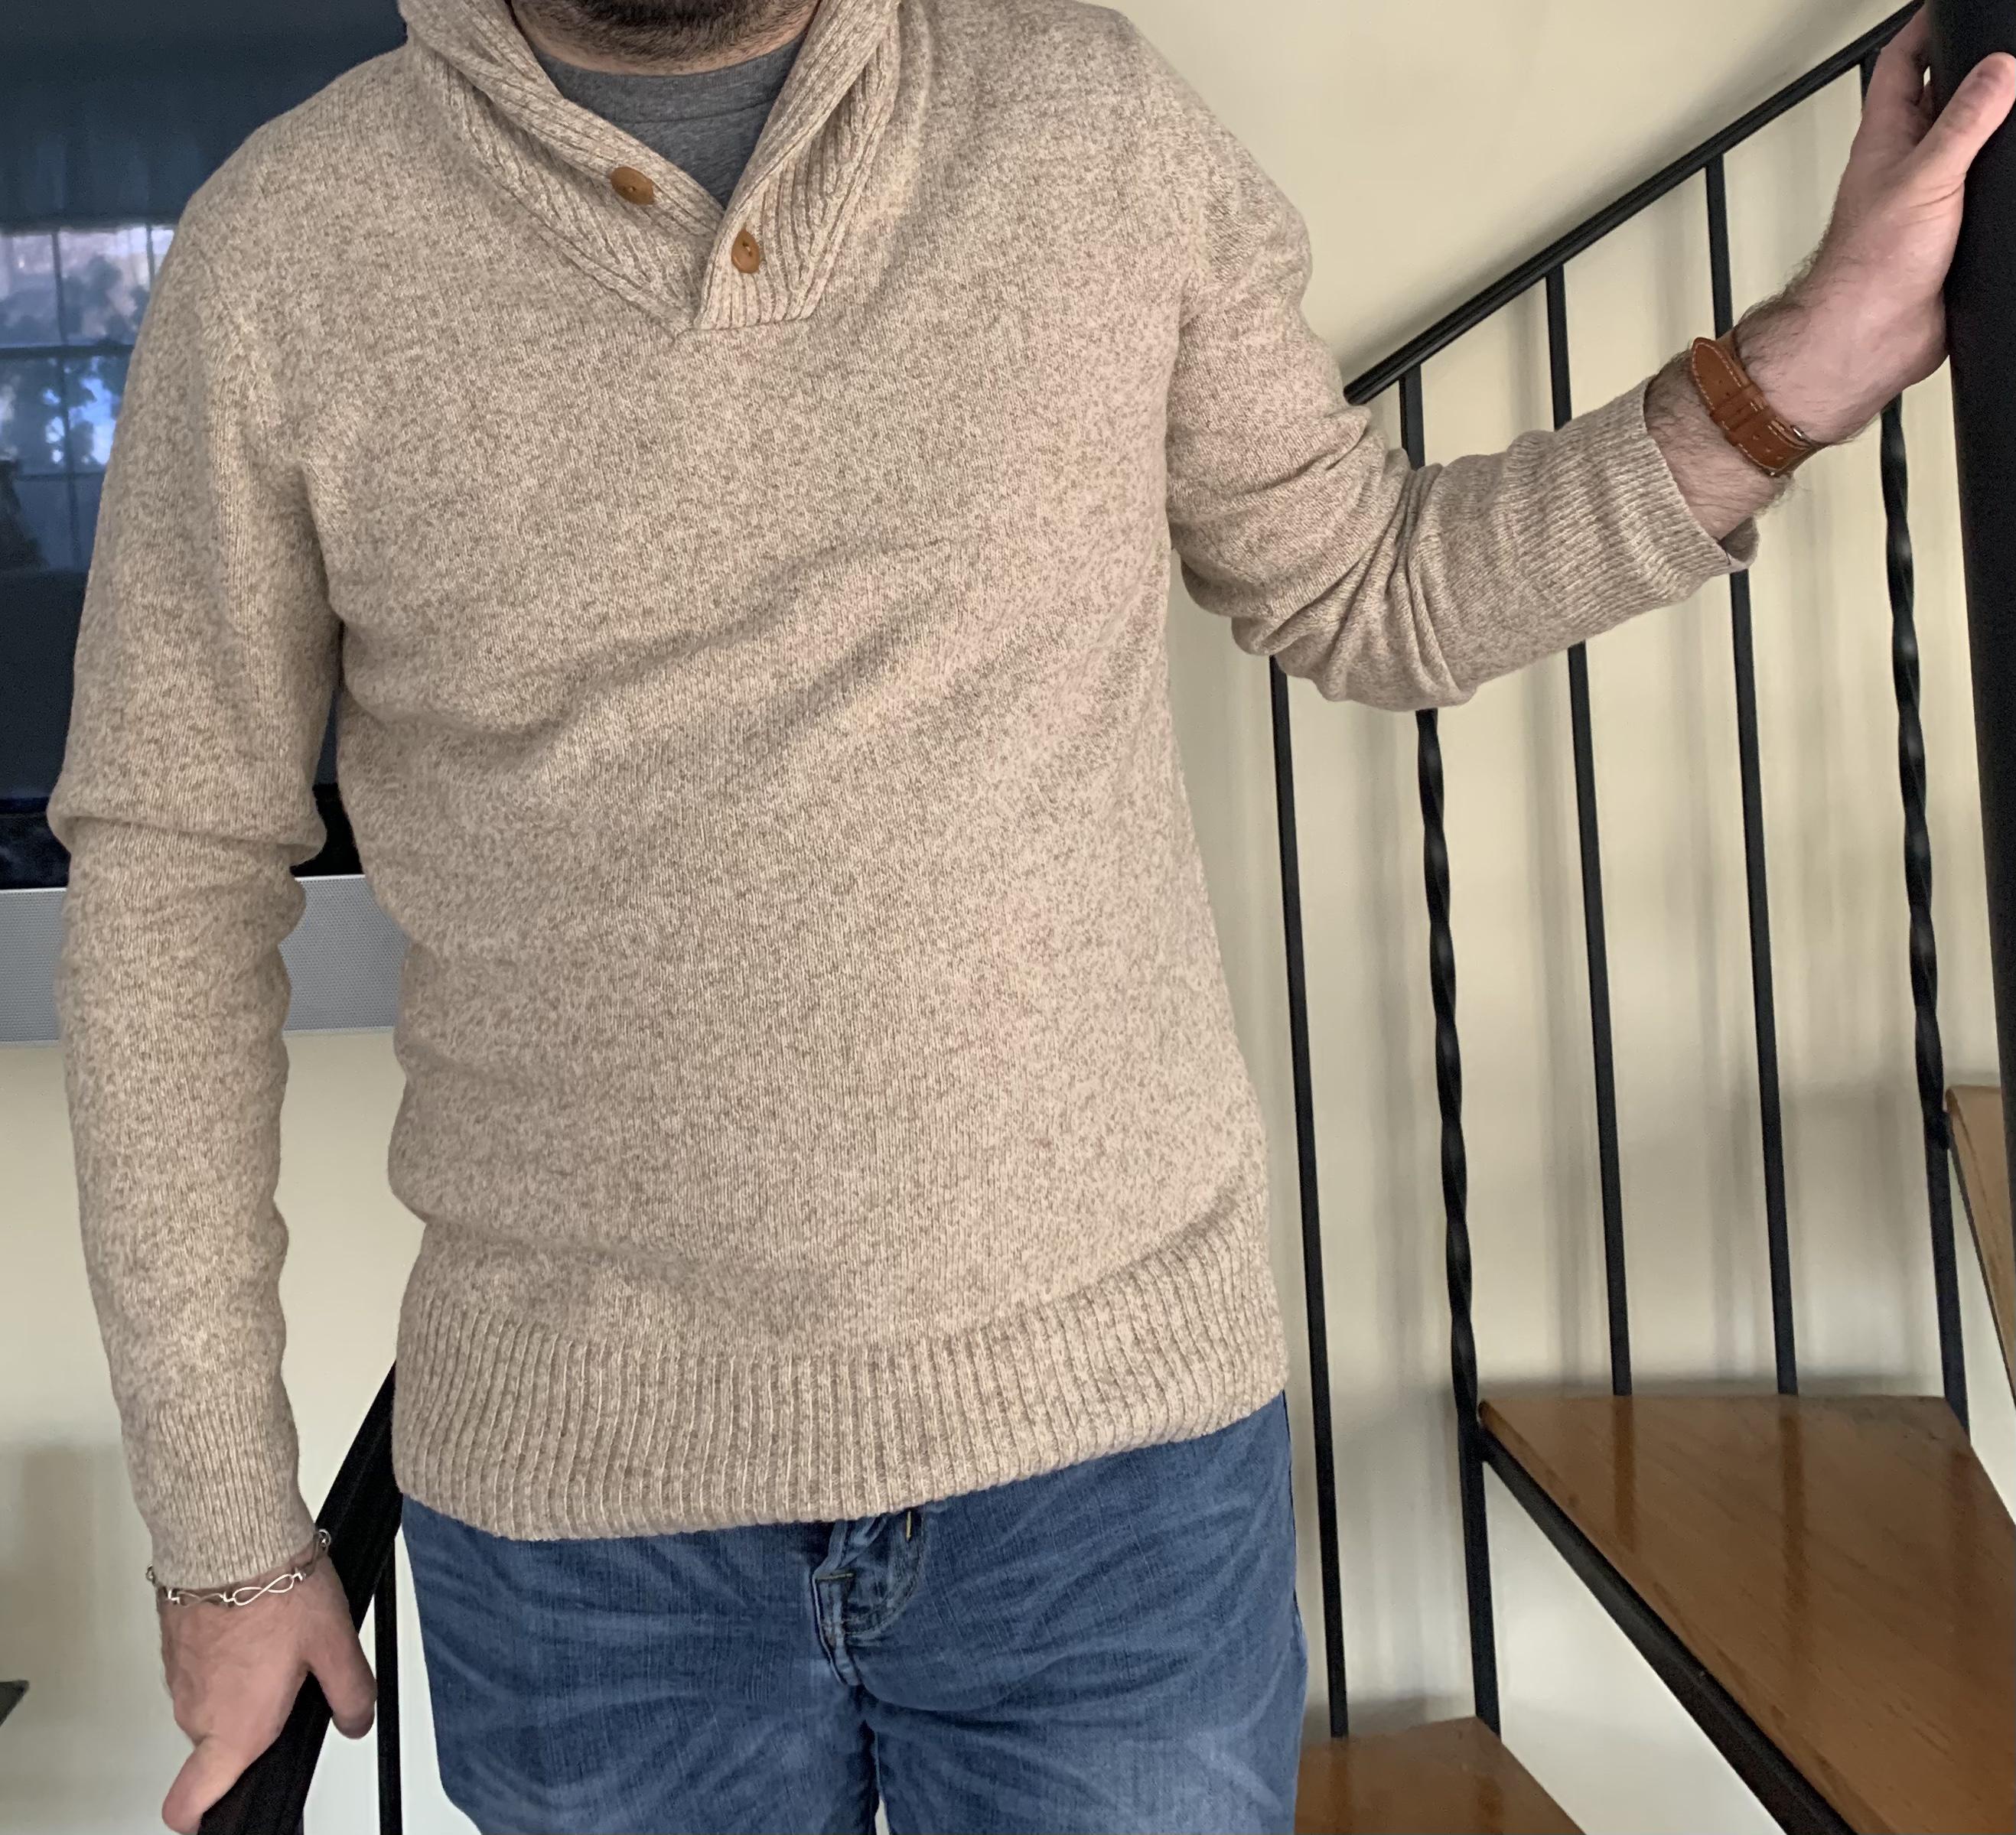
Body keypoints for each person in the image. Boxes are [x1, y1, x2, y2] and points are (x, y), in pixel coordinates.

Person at [44, 0, 2013, 1830]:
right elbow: (168, 876)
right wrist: (224, 1539)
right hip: (591, 1551)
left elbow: (1371, 585)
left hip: (1111, 1492)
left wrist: (1799, 370)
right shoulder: (286, 248)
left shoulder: (1084, 121)